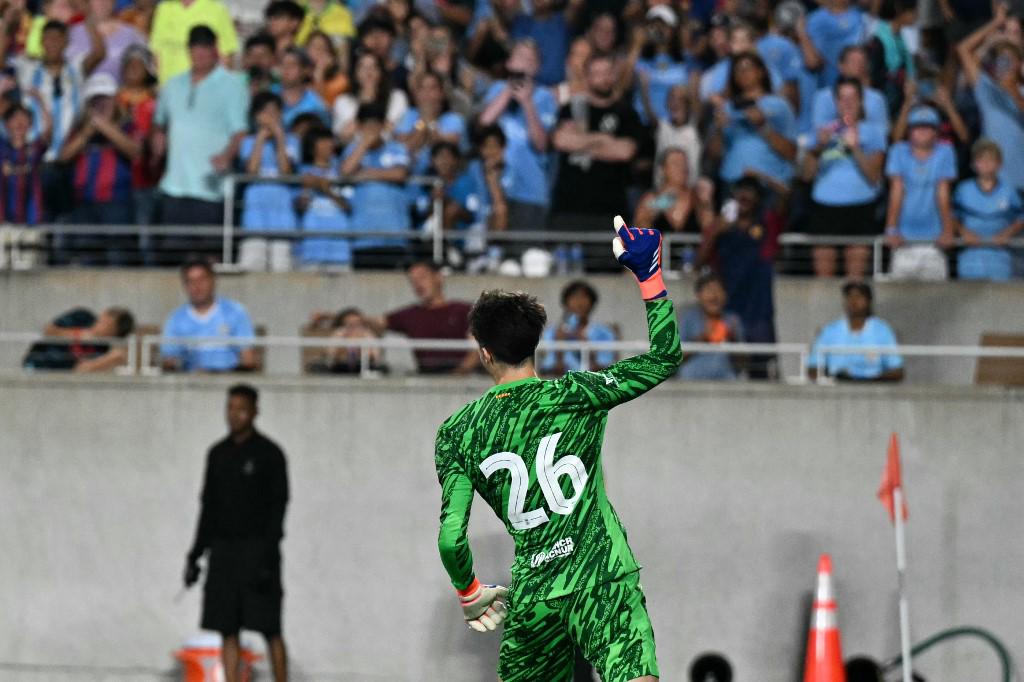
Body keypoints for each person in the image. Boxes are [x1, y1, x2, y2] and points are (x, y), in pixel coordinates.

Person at [434, 217, 679, 681]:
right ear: (535, 344)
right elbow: (664, 356)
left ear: (484, 352)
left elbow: (450, 538)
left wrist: (469, 592)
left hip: (534, 593)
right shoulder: (576, 394)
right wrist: (649, 277)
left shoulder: (458, 433)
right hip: (598, 572)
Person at [183, 384, 289, 682]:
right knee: (227, 628)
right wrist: (195, 555)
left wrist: (267, 557)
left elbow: (278, 509)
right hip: (224, 552)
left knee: (270, 627)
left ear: (255, 412)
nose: (235, 415)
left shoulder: (270, 455)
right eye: (230, 408)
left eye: (241, 409)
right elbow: (207, 508)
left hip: (258, 551)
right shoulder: (217, 455)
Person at [549, 53, 643, 269]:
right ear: (587, 77)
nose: (603, 78)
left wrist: (580, 142)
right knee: (561, 276)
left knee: (606, 276)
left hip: (609, 211)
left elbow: (625, 151)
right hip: (568, 208)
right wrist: (602, 139)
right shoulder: (571, 108)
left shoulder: (627, 113)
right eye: (597, 73)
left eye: (607, 72)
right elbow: (561, 141)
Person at [152, 25, 249, 232]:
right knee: (175, 256)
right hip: (174, 186)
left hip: (211, 188)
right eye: (195, 46)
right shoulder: (172, 84)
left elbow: (240, 132)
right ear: (189, 50)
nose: (200, 52)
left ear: (215, 49)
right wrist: (158, 138)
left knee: (209, 256)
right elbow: (159, 122)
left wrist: (226, 156)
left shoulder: (232, 85)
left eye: (206, 46)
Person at [801, 77, 887, 278]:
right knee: (824, 279)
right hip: (824, 207)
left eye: (853, 98)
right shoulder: (821, 132)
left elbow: (874, 177)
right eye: (842, 98)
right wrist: (818, 148)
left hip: (861, 206)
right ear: (836, 102)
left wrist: (855, 148)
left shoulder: (874, 132)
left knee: (855, 281)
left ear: (861, 101)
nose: (847, 103)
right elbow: (806, 175)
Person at [697, 176, 779, 379]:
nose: (744, 196)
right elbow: (698, 263)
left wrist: (761, 174)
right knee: (728, 360)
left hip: (758, 306)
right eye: (740, 191)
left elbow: (786, 196)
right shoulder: (720, 226)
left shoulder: (767, 224)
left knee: (761, 365)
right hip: (728, 306)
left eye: (750, 192)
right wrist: (715, 232)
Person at [58, 72, 140, 264]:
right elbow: (63, 157)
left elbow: (135, 152)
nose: (101, 105)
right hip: (84, 205)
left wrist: (106, 128)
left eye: (106, 100)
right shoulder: (80, 129)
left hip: (117, 205)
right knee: (86, 262)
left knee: (117, 261)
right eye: (96, 101)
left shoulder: (128, 126)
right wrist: (87, 132)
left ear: (115, 101)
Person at [477, 39, 558, 231]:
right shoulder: (497, 90)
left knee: (528, 255)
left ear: (537, 67)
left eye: (531, 59)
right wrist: (509, 91)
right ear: (509, 63)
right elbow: (484, 124)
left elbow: (541, 144)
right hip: (495, 187)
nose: (525, 62)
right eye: (520, 57)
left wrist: (527, 102)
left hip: (530, 191)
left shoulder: (545, 97)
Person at [707, 51, 797, 196]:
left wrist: (763, 127)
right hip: (732, 183)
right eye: (737, 70)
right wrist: (718, 130)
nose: (742, 73)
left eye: (747, 68)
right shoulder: (726, 108)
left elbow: (792, 153)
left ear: (760, 72)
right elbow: (714, 156)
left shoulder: (779, 105)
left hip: (769, 184)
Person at [883, 105, 957, 280]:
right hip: (904, 237)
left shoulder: (945, 151)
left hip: (934, 238)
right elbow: (897, 191)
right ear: (909, 131)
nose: (922, 131)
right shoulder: (898, 151)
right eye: (917, 127)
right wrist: (892, 228)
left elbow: (943, 192)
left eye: (928, 127)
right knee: (900, 296)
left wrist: (947, 230)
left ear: (936, 132)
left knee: (935, 298)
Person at [366, 260, 478, 373]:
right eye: (413, 281)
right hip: (426, 379)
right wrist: (355, 320)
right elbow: (378, 322)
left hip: (462, 380)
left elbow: (480, 346)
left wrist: (459, 373)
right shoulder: (411, 314)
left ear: (438, 277)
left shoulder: (463, 310)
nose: (418, 284)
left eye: (422, 277)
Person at [958, 4, 1024, 193]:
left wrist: (1013, 90)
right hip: (993, 180)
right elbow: (963, 49)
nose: (1006, 64)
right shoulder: (986, 87)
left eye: (1010, 59)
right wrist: (995, 24)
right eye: (1001, 60)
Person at [339, 101, 411, 268]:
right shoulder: (352, 150)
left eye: (375, 126)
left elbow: (400, 174)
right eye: (367, 126)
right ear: (359, 127)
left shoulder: (397, 148)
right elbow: (345, 172)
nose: (372, 131)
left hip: (395, 235)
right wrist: (363, 144)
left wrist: (366, 174)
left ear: (383, 126)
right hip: (362, 237)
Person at [160, 258, 258, 372]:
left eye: (202, 279)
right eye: (191, 281)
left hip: (229, 381)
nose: (197, 286)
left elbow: (248, 358)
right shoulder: (176, 319)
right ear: (184, 286)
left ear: (213, 280)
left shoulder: (235, 312)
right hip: (191, 383)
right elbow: (169, 359)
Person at [953, 139, 1024, 281]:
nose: (986, 164)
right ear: (973, 164)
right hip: (970, 259)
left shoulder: (1009, 191)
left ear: (999, 164)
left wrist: (1007, 233)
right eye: (981, 160)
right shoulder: (963, 190)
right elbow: (951, 216)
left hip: (1000, 259)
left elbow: (1021, 217)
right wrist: (964, 232)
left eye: (991, 160)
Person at [808, 281, 904, 382]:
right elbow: (813, 369)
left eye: (859, 297)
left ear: (869, 301)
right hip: (836, 390)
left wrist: (869, 381)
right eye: (849, 297)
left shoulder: (883, 330)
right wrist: (835, 377)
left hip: (872, 392)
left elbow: (897, 371)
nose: (854, 301)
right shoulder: (830, 330)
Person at [295, 126, 352, 267]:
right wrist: (307, 187)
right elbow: (299, 207)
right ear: (311, 146)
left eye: (329, 140)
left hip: (340, 251)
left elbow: (348, 206)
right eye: (322, 141)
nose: (328, 144)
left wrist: (324, 188)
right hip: (310, 251)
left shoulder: (342, 171)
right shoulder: (301, 172)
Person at [539, 279, 617, 375]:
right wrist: (559, 350)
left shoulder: (605, 333)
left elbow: (606, 370)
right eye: (574, 297)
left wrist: (586, 347)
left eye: (584, 297)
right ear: (565, 303)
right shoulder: (552, 333)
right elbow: (547, 371)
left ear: (592, 303)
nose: (579, 302)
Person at [23, 306, 134, 372]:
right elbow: (48, 331)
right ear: (104, 315)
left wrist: (109, 360)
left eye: (110, 330)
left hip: (61, 379)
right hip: (37, 365)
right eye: (105, 322)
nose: (103, 329)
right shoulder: (82, 317)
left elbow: (82, 369)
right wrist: (78, 334)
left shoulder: (103, 349)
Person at [149, 0, 238, 83]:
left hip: (206, 88)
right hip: (170, 87)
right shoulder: (164, 8)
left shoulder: (217, 10)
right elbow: (156, 52)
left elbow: (226, 56)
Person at [679, 272, 744, 381]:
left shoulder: (732, 320)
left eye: (719, 290)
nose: (714, 295)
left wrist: (733, 339)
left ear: (726, 295)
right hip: (690, 381)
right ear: (699, 295)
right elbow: (673, 357)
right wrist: (703, 338)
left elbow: (743, 363)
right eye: (709, 290)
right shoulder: (688, 318)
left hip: (726, 382)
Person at [332, 50, 408, 144]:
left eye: (373, 67)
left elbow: (399, 131)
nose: (368, 72)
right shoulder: (343, 101)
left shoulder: (397, 97)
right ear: (355, 73)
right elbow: (340, 137)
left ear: (380, 72)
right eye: (363, 67)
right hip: (355, 153)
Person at [811, 45, 889, 134]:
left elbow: (881, 134)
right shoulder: (823, 97)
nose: (859, 66)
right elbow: (820, 132)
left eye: (862, 62)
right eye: (853, 62)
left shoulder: (876, 98)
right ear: (841, 65)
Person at [67, 0, 145, 81]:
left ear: (113, 2)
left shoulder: (131, 34)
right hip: (83, 90)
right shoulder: (73, 33)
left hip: (119, 90)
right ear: (88, 3)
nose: (102, 2)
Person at [0, 102, 50, 225]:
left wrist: (40, 101)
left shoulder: (35, 148)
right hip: (3, 221)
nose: (19, 123)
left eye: (24, 118)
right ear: (6, 124)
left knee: (32, 243)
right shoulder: (1, 148)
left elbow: (48, 132)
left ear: (31, 125)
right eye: (14, 118)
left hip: (31, 220)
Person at [804, 0, 865, 88]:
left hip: (857, 79)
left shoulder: (859, 14)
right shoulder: (816, 19)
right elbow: (814, 59)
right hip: (828, 78)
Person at [274, 46, 330, 128]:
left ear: (305, 70)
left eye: (292, 65)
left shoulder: (315, 104)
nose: (286, 69)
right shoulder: (269, 94)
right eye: (283, 64)